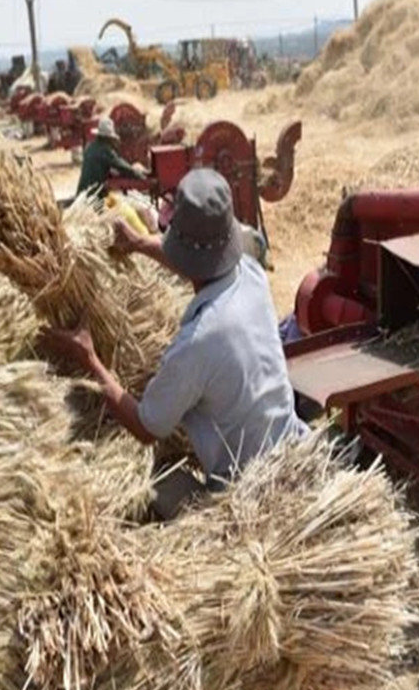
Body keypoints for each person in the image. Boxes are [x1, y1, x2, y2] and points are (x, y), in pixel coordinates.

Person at [45, 167, 308, 518]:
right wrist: (138, 244)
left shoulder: (197, 344)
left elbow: (146, 427)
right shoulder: (251, 273)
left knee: (153, 484)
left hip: (249, 493)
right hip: (296, 452)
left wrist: (89, 359)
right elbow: (200, 267)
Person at [76, 116, 147, 198]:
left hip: (82, 192)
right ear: (107, 138)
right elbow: (122, 166)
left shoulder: (91, 146)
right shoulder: (105, 150)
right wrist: (141, 176)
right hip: (93, 195)